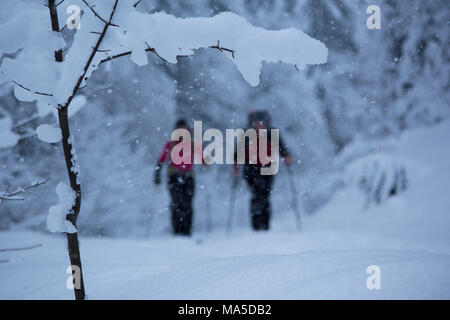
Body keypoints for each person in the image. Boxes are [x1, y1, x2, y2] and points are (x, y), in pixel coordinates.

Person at [234, 111, 292, 231]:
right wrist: (236, 165)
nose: (260, 126)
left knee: (264, 195)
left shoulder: (272, 134)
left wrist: (286, 157)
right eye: (257, 123)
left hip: (268, 168)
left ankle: (264, 224)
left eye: (262, 123)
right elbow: (237, 153)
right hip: (251, 170)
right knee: (257, 194)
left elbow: (282, 148)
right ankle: (257, 223)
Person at [154, 119, 197, 236]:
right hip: (174, 176)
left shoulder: (192, 144)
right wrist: (157, 175)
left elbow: (203, 157)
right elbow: (161, 159)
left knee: (187, 203)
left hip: (188, 177)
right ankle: (177, 230)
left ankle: (187, 231)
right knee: (176, 203)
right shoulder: (171, 144)